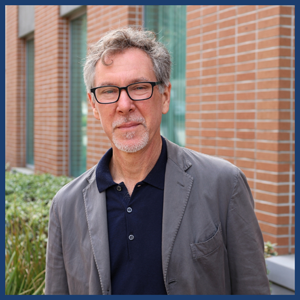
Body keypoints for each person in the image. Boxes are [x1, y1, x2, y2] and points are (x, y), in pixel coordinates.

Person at [45, 27, 270, 295]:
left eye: (139, 87)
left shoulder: (224, 184)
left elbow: (253, 288)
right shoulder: (65, 205)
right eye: (108, 91)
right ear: (93, 106)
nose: (125, 105)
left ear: (164, 96)